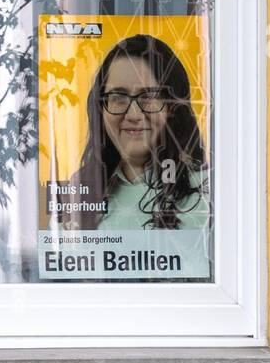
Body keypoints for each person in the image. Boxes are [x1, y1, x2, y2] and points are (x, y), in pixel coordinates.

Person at [64, 33, 209, 233]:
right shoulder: (78, 193)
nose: (134, 114)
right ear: (101, 108)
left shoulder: (208, 190)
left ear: (172, 107)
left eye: (149, 96)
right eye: (118, 97)